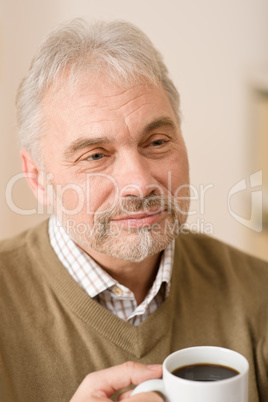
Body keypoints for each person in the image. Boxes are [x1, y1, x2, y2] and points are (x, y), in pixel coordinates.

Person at [0, 18, 267, 402]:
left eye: (157, 142)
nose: (139, 183)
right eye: (95, 155)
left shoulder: (259, 295)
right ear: (38, 178)